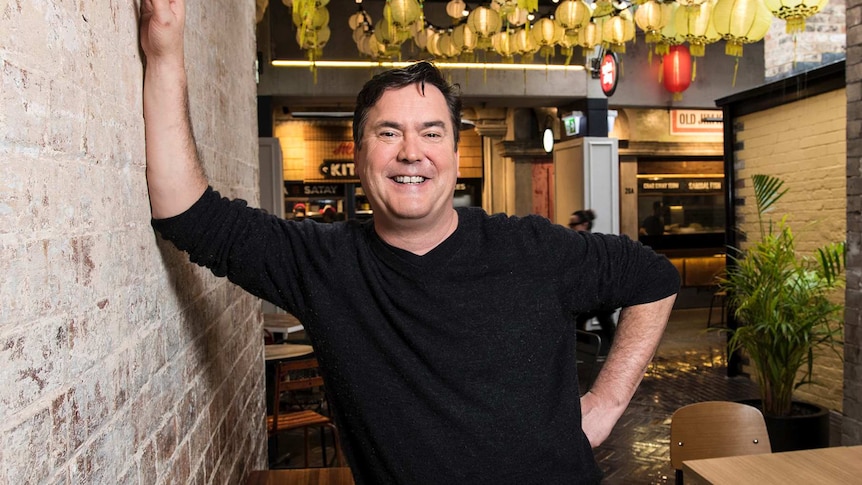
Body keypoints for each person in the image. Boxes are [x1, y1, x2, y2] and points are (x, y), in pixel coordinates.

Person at [140, 1, 679, 483]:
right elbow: (187, 214)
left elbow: (654, 279)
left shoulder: (533, 250)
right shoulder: (323, 263)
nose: (411, 152)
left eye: (431, 131)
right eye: (389, 132)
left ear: (453, 150)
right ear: (359, 156)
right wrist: (165, 52)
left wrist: (606, 404)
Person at [568, 210, 617, 354]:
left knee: (580, 320)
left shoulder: (589, 243)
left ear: (585, 224)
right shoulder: (585, 242)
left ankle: (586, 353)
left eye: (574, 224)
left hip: (596, 294)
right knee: (605, 323)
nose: (571, 227)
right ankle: (590, 352)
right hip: (597, 294)